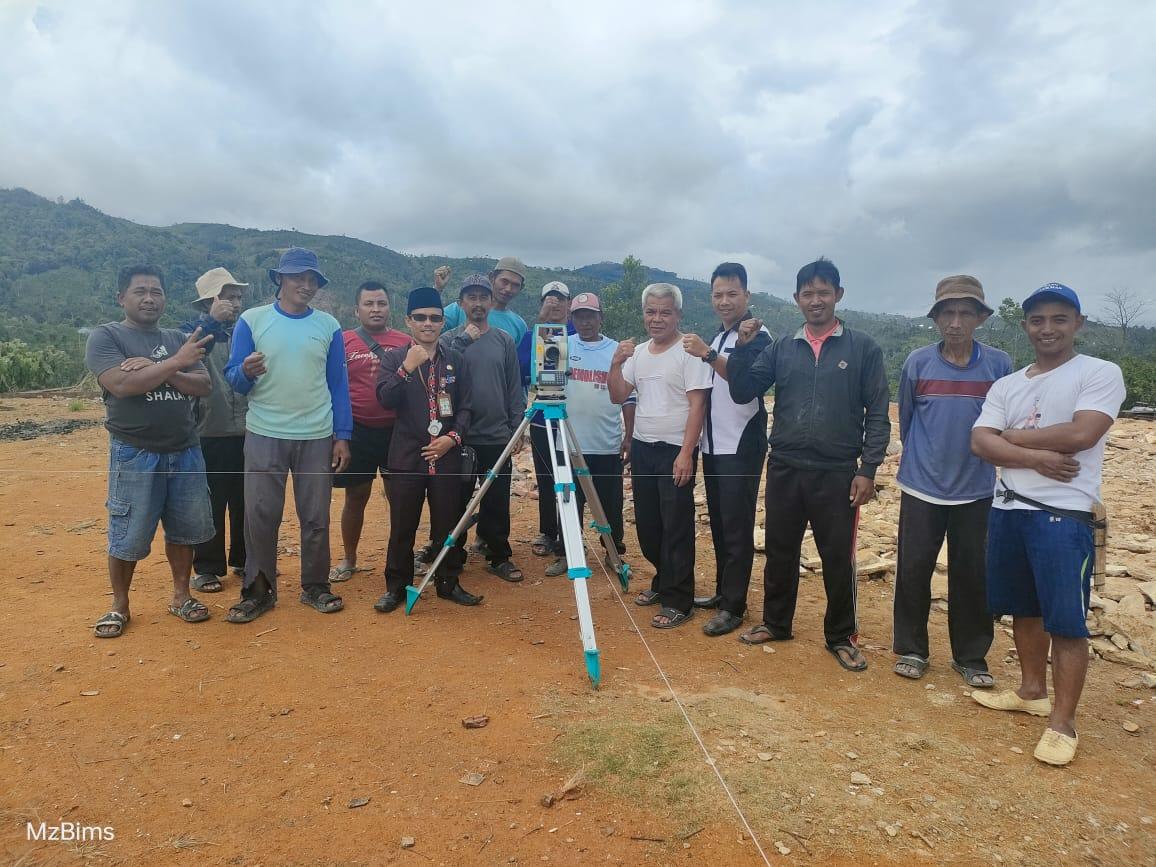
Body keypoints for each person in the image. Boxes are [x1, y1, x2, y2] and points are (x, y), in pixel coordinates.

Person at [971, 283, 1125, 767]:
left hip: (1065, 514)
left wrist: (1012, 437)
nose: (1048, 329)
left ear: (1078, 323)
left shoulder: (1098, 373)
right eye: (1038, 320)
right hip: (1009, 510)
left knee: (1067, 620)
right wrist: (1037, 457)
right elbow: (980, 442)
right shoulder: (1008, 383)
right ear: (1026, 326)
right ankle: (1032, 690)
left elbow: (1083, 433)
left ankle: (1063, 722)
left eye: (1059, 319)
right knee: (1024, 609)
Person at [727, 258, 890, 671]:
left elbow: (877, 413)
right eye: (807, 293)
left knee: (838, 557)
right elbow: (744, 389)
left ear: (838, 294)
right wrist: (745, 347)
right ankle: (776, 622)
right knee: (780, 550)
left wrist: (867, 470)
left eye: (823, 292)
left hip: (837, 471)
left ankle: (841, 635)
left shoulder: (862, 348)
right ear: (796, 298)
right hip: (784, 465)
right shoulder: (783, 347)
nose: (815, 300)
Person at [893, 276, 1012, 686]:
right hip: (921, 486)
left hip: (977, 490)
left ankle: (971, 656)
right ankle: (912, 648)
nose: (955, 322)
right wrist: (923, 462)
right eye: (947, 312)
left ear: (980, 318)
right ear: (937, 318)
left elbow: (1003, 428)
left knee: (972, 574)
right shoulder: (918, 363)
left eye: (965, 313)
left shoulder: (999, 366)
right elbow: (908, 423)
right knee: (912, 570)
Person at [85, 265, 215, 637]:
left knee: (185, 529)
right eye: (140, 291)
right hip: (135, 451)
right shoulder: (106, 337)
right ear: (121, 298)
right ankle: (119, 606)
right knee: (127, 532)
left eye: (156, 291)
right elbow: (123, 384)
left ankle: (180, 596)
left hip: (185, 449)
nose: (148, 298)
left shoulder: (177, 337)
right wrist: (175, 363)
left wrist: (160, 368)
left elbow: (203, 385)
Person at [223, 247, 352, 622]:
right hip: (265, 432)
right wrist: (245, 370)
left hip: (316, 434)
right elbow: (235, 379)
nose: (306, 285)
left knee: (315, 515)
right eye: (298, 277)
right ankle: (258, 591)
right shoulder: (252, 320)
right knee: (261, 515)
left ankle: (316, 586)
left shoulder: (328, 326)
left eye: (312, 279)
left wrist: (341, 435)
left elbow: (338, 385)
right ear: (279, 279)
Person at [609, 283, 711, 629]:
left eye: (665, 312)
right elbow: (618, 394)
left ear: (678, 315)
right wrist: (615, 364)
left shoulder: (688, 352)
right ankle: (661, 580)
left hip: (674, 451)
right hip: (642, 447)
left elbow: (698, 404)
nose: (657, 318)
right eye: (651, 311)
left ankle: (679, 600)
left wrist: (686, 453)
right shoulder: (638, 353)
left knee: (676, 526)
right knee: (649, 525)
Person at [374, 287, 481, 610]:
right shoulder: (394, 358)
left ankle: (448, 581)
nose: (428, 324)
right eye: (420, 318)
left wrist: (453, 438)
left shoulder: (456, 360)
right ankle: (396, 586)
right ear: (408, 321)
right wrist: (406, 369)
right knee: (403, 525)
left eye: (435, 318)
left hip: (446, 457)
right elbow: (384, 399)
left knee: (447, 524)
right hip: (408, 457)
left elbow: (467, 407)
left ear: (442, 323)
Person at [681, 262, 771, 636]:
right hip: (714, 445)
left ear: (747, 296)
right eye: (718, 294)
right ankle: (723, 592)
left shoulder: (757, 335)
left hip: (742, 446)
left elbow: (746, 386)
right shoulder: (720, 337)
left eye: (732, 293)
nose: (724, 301)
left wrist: (706, 355)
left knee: (736, 527)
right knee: (718, 523)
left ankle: (735, 605)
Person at [443, 273, 527, 582]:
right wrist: (466, 340)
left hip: (496, 435)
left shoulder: (504, 340)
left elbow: (513, 386)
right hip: (459, 437)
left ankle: (498, 555)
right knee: (457, 498)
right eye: (472, 298)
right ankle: (453, 555)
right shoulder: (449, 339)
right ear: (462, 303)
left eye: (483, 297)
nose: (478, 304)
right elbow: (443, 372)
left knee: (496, 498)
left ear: (491, 302)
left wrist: (516, 427)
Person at [548, 292, 636, 577]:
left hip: (606, 443)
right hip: (569, 442)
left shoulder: (616, 351)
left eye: (590, 315)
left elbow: (628, 398)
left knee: (610, 503)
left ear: (601, 317)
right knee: (568, 502)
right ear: (571, 318)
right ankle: (567, 554)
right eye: (579, 316)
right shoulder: (561, 345)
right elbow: (546, 386)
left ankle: (613, 551)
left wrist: (629, 435)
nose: (585, 322)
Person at [330, 281, 411, 582]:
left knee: (399, 497)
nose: (376, 309)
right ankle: (349, 558)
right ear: (357, 309)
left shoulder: (405, 341)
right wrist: (339, 435)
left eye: (381, 303)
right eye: (369, 304)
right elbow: (334, 387)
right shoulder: (343, 340)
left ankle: (399, 558)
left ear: (390, 308)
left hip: (397, 432)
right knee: (356, 496)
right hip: (358, 432)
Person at [181, 267, 249, 594]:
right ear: (210, 300)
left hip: (249, 431)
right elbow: (185, 357)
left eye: (238, 297)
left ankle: (246, 561)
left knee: (246, 500)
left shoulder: (245, 333)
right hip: (208, 431)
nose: (235, 304)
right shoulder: (192, 332)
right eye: (228, 297)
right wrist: (210, 322)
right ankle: (207, 568)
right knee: (209, 503)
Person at [518, 281, 573, 569]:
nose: (554, 304)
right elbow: (520, 369)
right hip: (540, 418)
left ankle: (569, 536)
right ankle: (547, 531)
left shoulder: (577, 334)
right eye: (549, 300)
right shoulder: (531, 336)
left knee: (569, 479)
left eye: (560, 300)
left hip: (569, 418)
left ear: (569, 304)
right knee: (545, 478)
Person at [442, 256, 530, 343]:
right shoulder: (460, 308)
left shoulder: (519, 325)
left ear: (521, 288)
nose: (508, 289)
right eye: (504, 281)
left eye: (515, 285)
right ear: (492, 277)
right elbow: (431, 329)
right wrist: (438, 289)